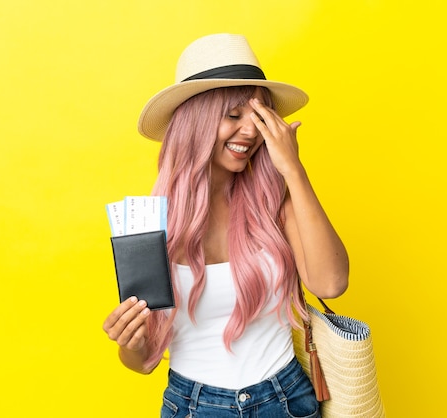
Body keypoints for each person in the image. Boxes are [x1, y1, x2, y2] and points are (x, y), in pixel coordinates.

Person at [103, 33, 349, 417]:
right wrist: (128, 342)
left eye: (258, 117)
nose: (249, 131)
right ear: (195, 123)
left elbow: (331, 284)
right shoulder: (148, 224)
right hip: (193, 405)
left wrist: (293, 170)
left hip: (286, 400)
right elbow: (144, 361)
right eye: (233, 115)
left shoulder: (273, 201)